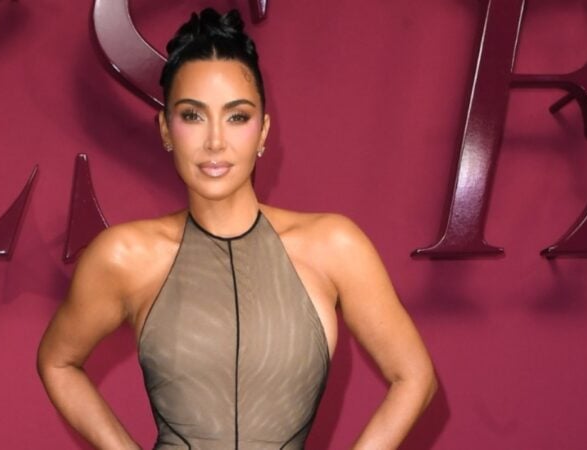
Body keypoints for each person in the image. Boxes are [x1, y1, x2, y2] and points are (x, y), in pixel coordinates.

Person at [37, 7, 436, 449]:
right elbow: (58, 362)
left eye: (237, 117)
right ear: (165, 130)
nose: (215, 141)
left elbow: (414, 377)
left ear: (263, 132)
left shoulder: (334, 246)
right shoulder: (124, 256)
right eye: (192, 116)